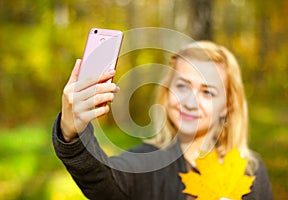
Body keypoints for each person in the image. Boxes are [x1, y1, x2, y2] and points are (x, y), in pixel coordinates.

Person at [52, 41, 273, 200]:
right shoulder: (146, 162)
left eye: (207, 92)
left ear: (228, 106)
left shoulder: (250, 170)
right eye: (182, 86)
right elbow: (103, 180)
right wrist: (72, 133)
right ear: (166, 93)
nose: (190, 101)